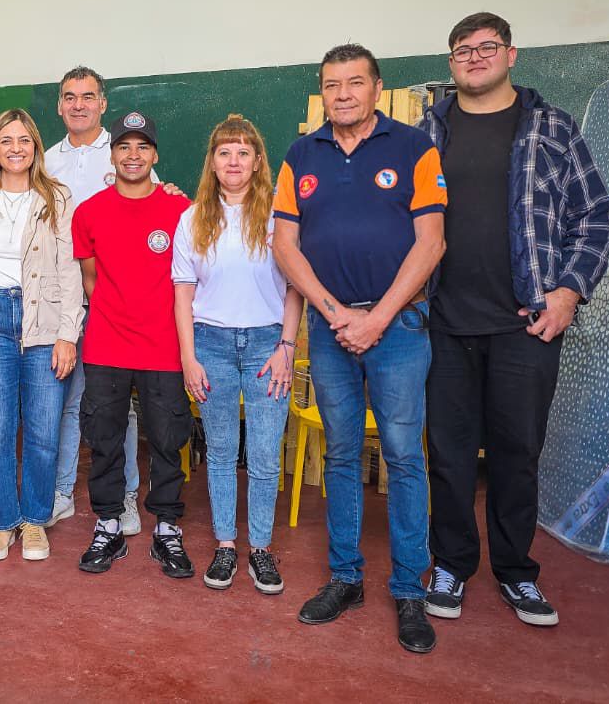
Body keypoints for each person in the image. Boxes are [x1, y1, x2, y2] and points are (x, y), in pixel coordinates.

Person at [417, 12, 609, 627]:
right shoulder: (426, 130)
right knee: (447, 455)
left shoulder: (551, 127)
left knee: (515, 451)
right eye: (462, 51)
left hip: (525, 322)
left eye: (487, 48)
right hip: (444, 322)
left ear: (511, 54)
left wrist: (567, 294)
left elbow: (596, 215)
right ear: (451, 64)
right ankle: (450, 563)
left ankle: (515, 571)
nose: (475, 58)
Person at [272, 44, 446, 654]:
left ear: (376, 88)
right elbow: (286, 248)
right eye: (331, 84)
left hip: (398, 331)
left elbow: (431, 244)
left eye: (355, 83)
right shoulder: (301, 154)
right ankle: (346, 578)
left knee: (402, 457)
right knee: (342, 456)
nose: (343, 93)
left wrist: (379, 317)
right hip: (331, 330)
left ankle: (408, 591)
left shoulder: (414, 147)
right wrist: (336, 314)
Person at [172, 114, 303, 592]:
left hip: (268, 344)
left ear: (257, 162)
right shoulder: (192, 218)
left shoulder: (278, 216)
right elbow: (183, 296)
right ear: (212, 161)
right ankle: (227, 547)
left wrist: (286, 347)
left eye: (243, 152)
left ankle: (262, 551)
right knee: (222, 452)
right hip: (211, 344)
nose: (233, 160)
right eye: (224, 152)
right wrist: (189, 357)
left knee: (266, 456)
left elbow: (295, 288)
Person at [71, 111, 194, 578]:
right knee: (104, 439)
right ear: (112, 154)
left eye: (142, 146)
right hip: (106, 345)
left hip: (164, 345)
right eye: (124, 146)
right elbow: (90, 280)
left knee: (167, 439)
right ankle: (108, 524)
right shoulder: (89, 212)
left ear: (155, 155)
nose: (133, 155)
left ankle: (167, 529)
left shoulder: (180, 210)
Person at [42, 66, 165, 536]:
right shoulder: (46, 160)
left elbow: (156, 199)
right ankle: (61, 494)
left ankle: (129, 495)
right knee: (68, 402)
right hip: (63, 298)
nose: (78, 105)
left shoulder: (123, 152)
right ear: (59, 105)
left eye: (88, 96)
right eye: (70, 97)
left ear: (103, 104)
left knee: (120, 407)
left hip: (115, 303)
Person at [0, 109, 84, 562]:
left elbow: (70, 271)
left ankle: (34, 519)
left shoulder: (57, 197)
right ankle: (1, 522)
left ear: (36, 147)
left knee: (42, 430)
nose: (16, 148)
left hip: (45, 320)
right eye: (6, 140)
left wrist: (68, 333)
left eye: (25, 140)